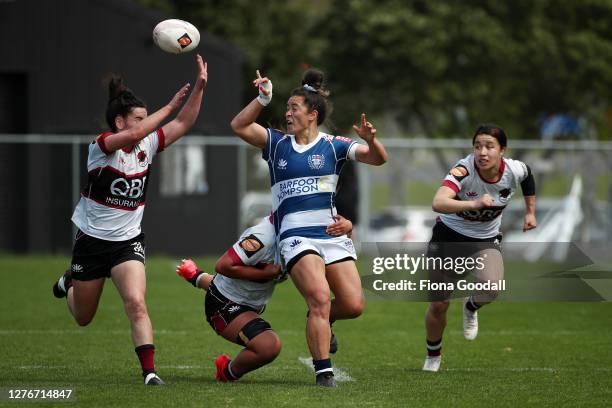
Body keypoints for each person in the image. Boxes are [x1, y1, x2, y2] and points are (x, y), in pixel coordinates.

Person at [51, 55, 208, 385]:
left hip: (127, 242)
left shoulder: (146, 145)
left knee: (136, 303)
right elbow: (159, 123)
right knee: (83, 317)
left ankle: (149, 373)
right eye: (138, 119)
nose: (145, 125)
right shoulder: (102, 146)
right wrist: (168, 107)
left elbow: (183, 124)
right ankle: (69, 283)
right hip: (91, 242)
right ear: (120, 122)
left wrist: (199, 88)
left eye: (145, 119)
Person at [230, 68, 387, 387]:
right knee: (318, 296)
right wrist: (263, 99)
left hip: (330, 233)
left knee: (354, 305)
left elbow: (377, 159)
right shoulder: (275, 143)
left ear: (312, 114)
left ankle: (322, 319)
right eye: (286, 108)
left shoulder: (334, 146)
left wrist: (372, 140)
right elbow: (239, 125)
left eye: (294, 108)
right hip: (295, 236)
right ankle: (323, 371)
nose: (288, 113)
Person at [175, 215, 353, 382]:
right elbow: (223, 266)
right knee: (269, 346)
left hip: (251, 302)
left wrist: (347, 229)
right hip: (225, 304)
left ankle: (196, 276)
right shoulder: (262, 237)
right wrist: (264, 273)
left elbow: (337, 255)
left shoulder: (310, 228)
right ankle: (227, 371)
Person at [423, 124, 537, 372]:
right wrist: (473, 203)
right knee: (439, 304)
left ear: (502, 150)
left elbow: (528, 176)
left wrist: (530, 212)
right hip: (448, 237)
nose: (482, 152)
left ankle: (471, 306)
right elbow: (438, 202)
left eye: (489, 146)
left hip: (484, 239)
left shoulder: (514, 170)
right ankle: (433, 355)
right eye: (477, 146)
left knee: (492, 288)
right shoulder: (463, 170)